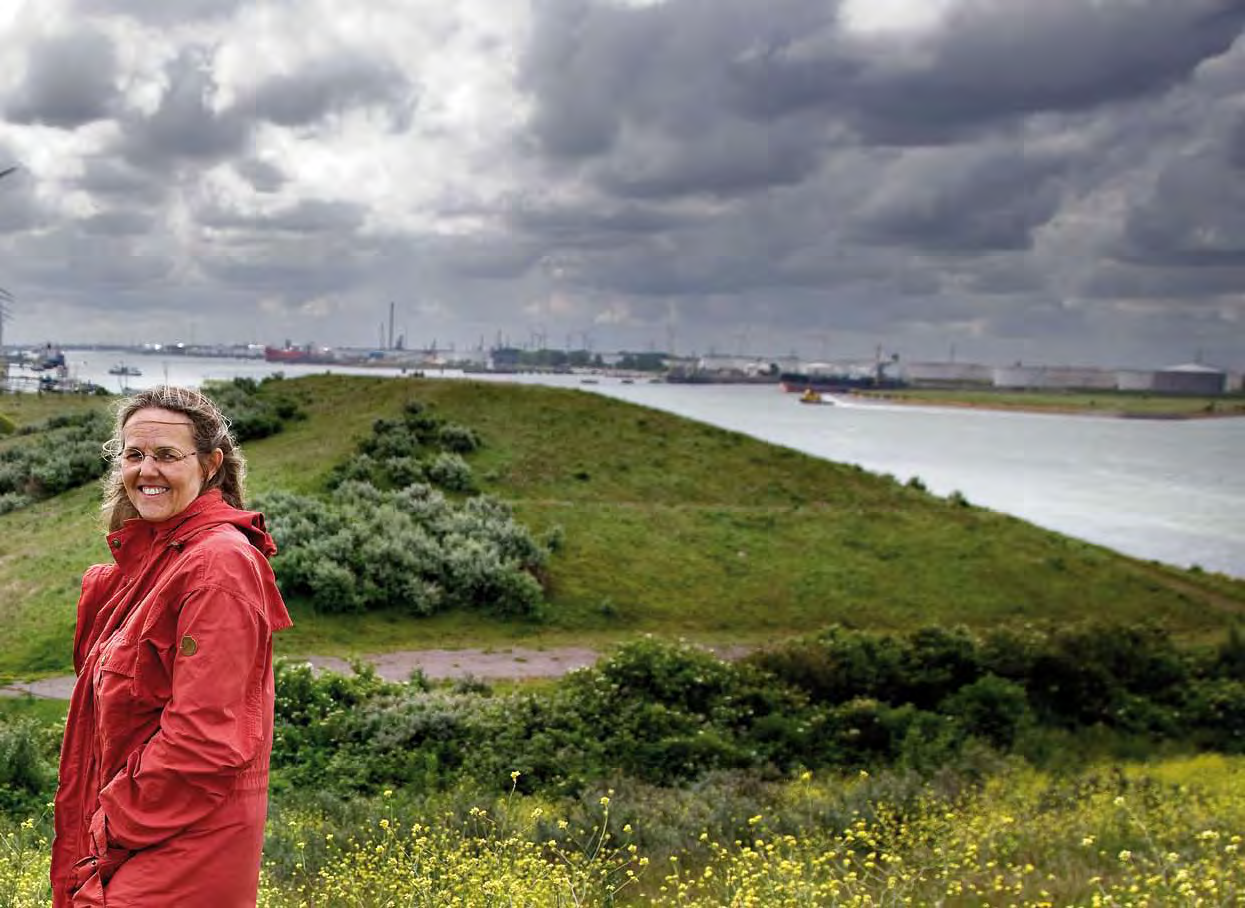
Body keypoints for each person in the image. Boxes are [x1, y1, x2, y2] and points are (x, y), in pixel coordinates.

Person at [51, 386, 292, 907]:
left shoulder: (218, 565)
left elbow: (204, 739)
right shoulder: (159, 561)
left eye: (166, 455)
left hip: (179, 852)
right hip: (142, 844)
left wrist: (109, 825)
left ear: (210, 465)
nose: (146, 470)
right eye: (134, 455)